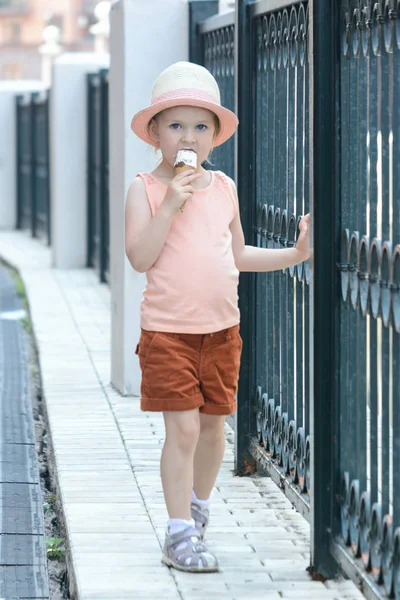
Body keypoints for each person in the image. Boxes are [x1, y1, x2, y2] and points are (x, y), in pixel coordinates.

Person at [125, 61, 310, 573]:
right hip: (168, 333)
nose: (188, 135)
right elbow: (139, 258)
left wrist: (294, 255)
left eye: (200, 126)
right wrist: (169, 207)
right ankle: (177, 531)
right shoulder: (145, 188)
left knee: (213, 432)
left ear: (214, 138)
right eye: (176, 125)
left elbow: (238, 255)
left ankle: (198, 513)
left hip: (221, 332)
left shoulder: (223, 187)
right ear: (156, 133)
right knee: (181, 432)